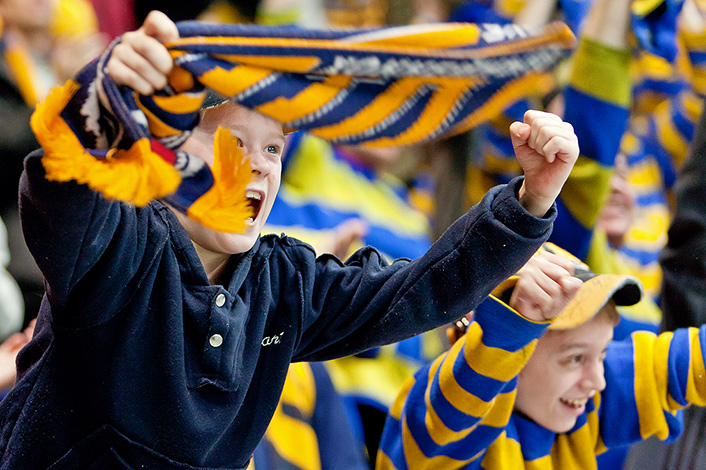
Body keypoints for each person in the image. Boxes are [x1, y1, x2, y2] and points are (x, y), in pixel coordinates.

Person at [0, 10, 579, 470]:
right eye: (233, 141)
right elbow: (61, 193)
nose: (259, 165)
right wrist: (102, 105)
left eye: (273, 147)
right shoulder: (117, 245)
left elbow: (421, 290)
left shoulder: (286, 284)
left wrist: (531, 199)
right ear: (165, 149)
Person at [376, 241, 706, 469]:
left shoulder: (584, 407)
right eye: (575, 359)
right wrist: (512, 325)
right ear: (510, 356)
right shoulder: (447, 416)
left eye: (602, 353)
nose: (598, 381)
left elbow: (684, 360)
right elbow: (470, 382)